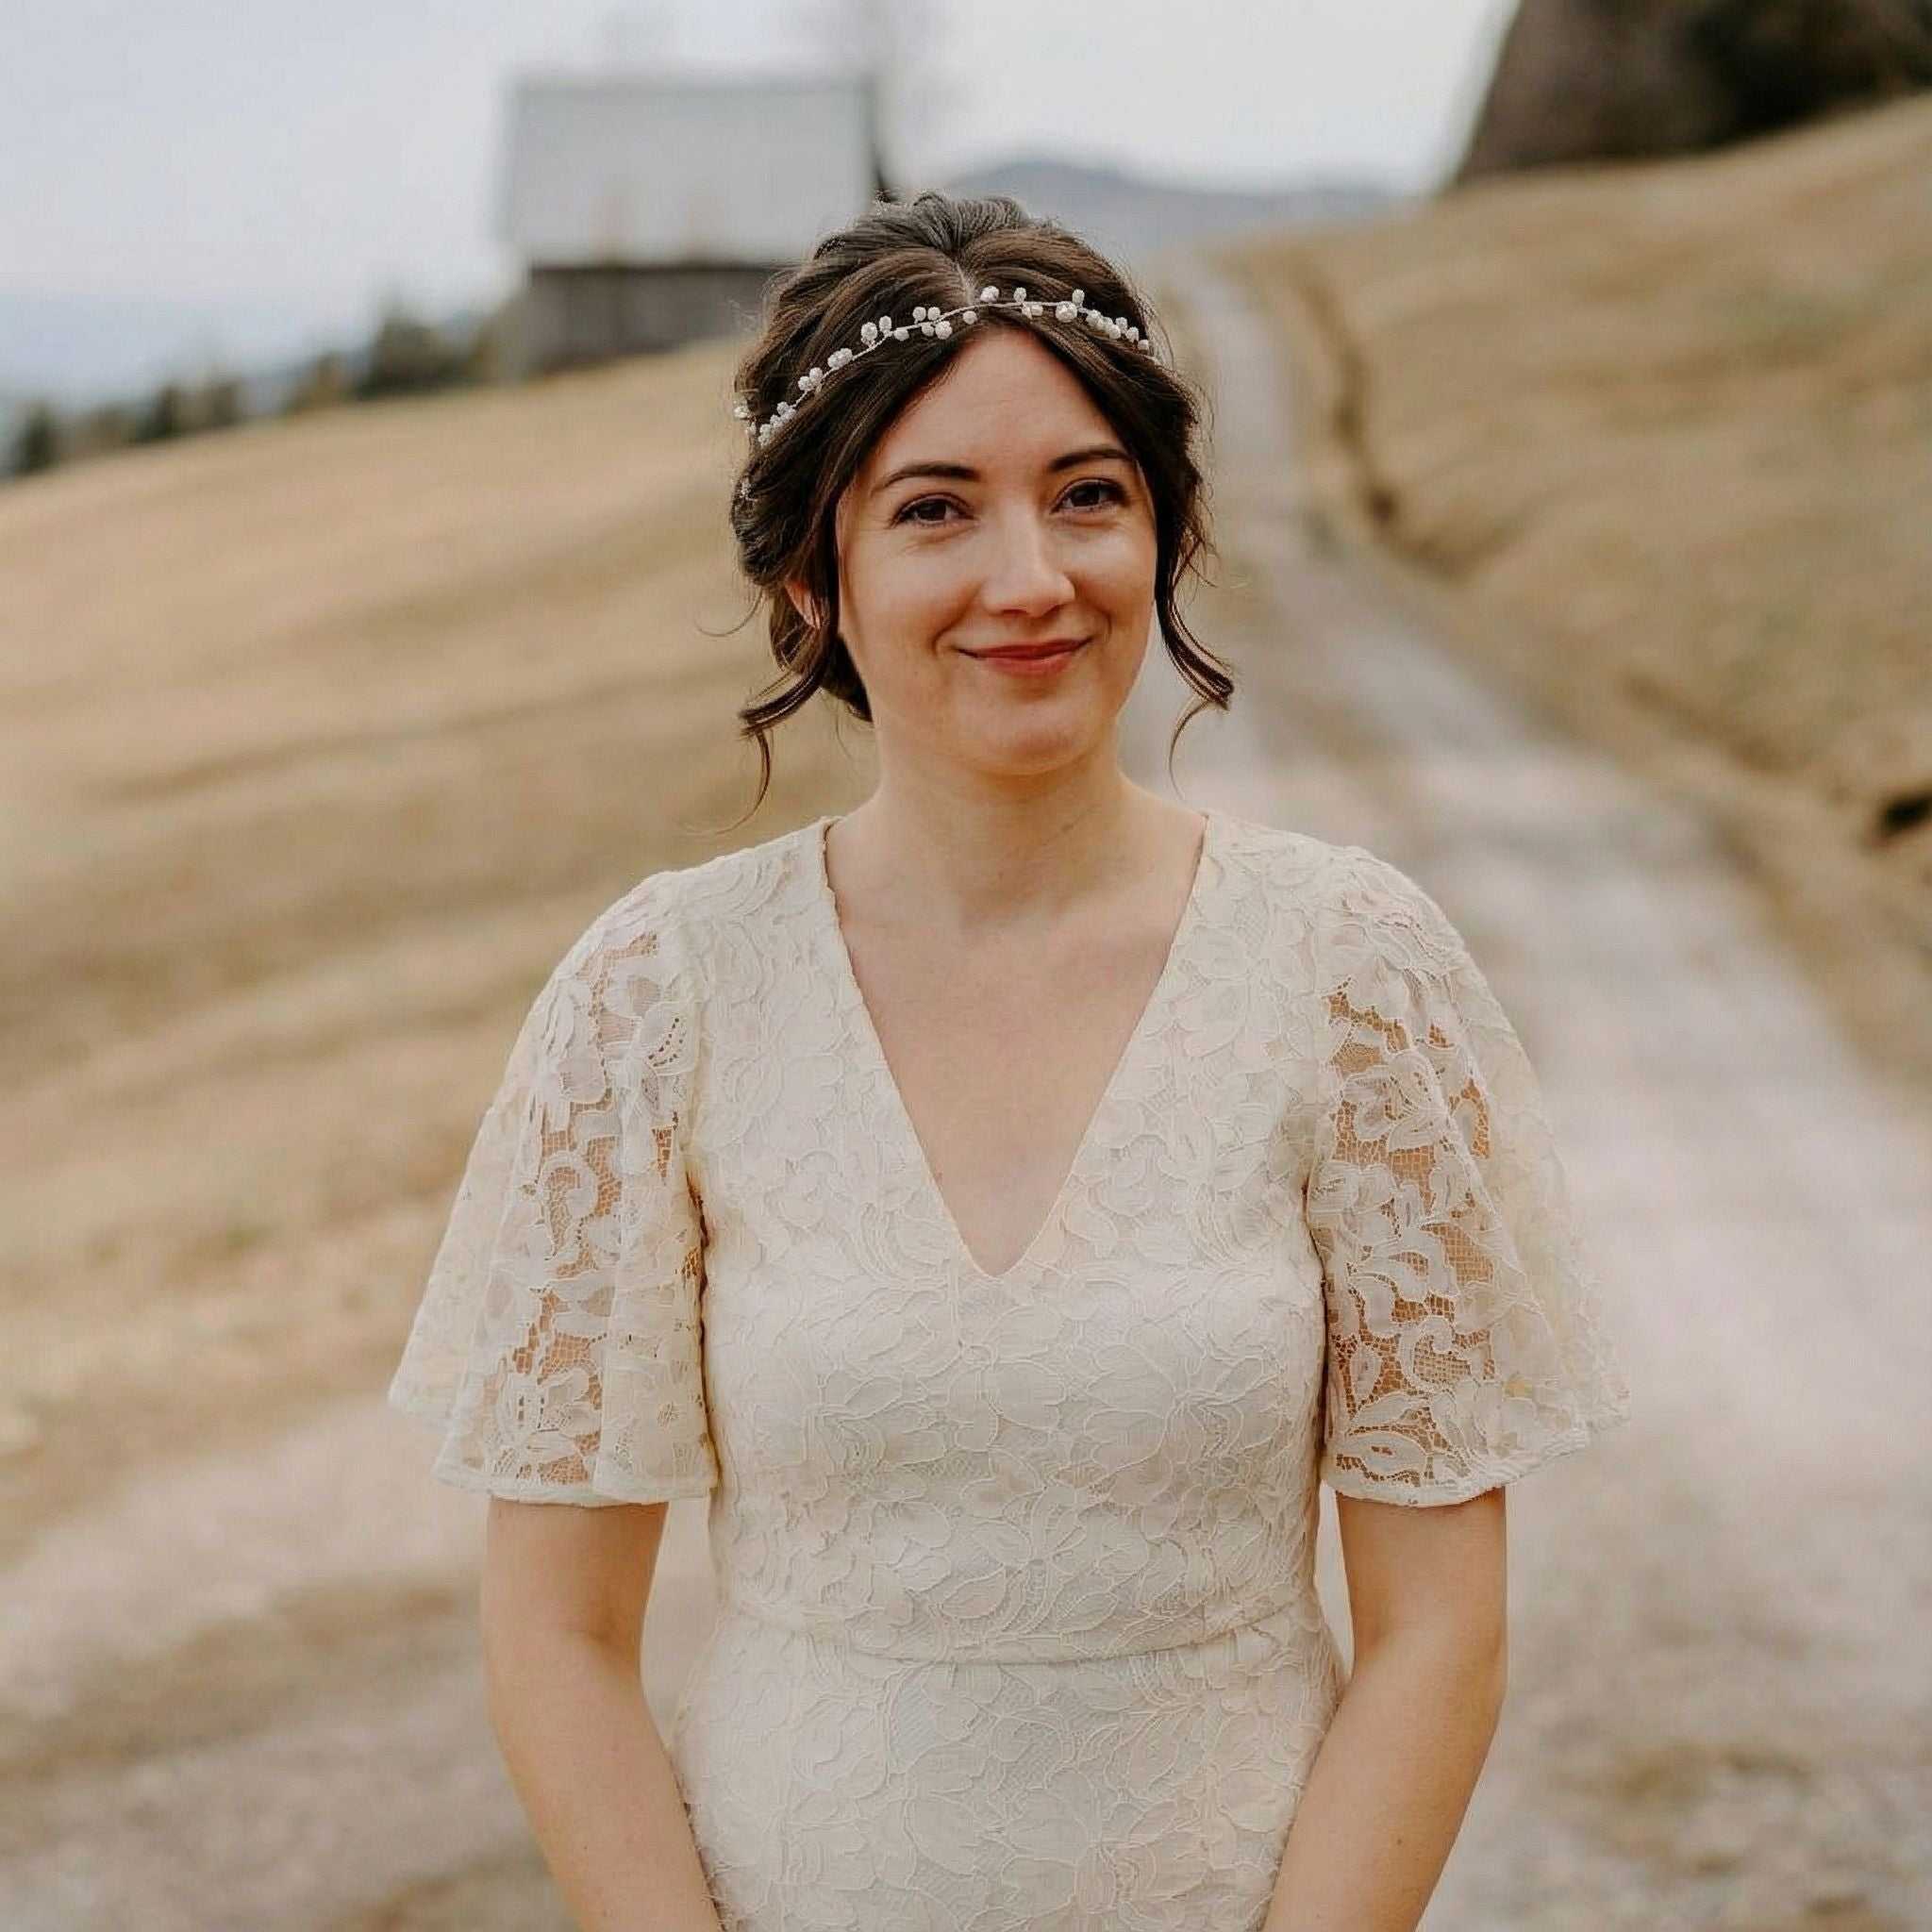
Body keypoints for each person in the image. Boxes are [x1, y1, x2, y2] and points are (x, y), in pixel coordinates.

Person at [387, 191, 1633, 1932]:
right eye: (936, 512)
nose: (1030, 580)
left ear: (1165, 539)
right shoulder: (656, 997)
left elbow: (1440, 1623)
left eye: (1088, 498)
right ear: (815, 577)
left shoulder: (1351, 973)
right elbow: (556, 1635)